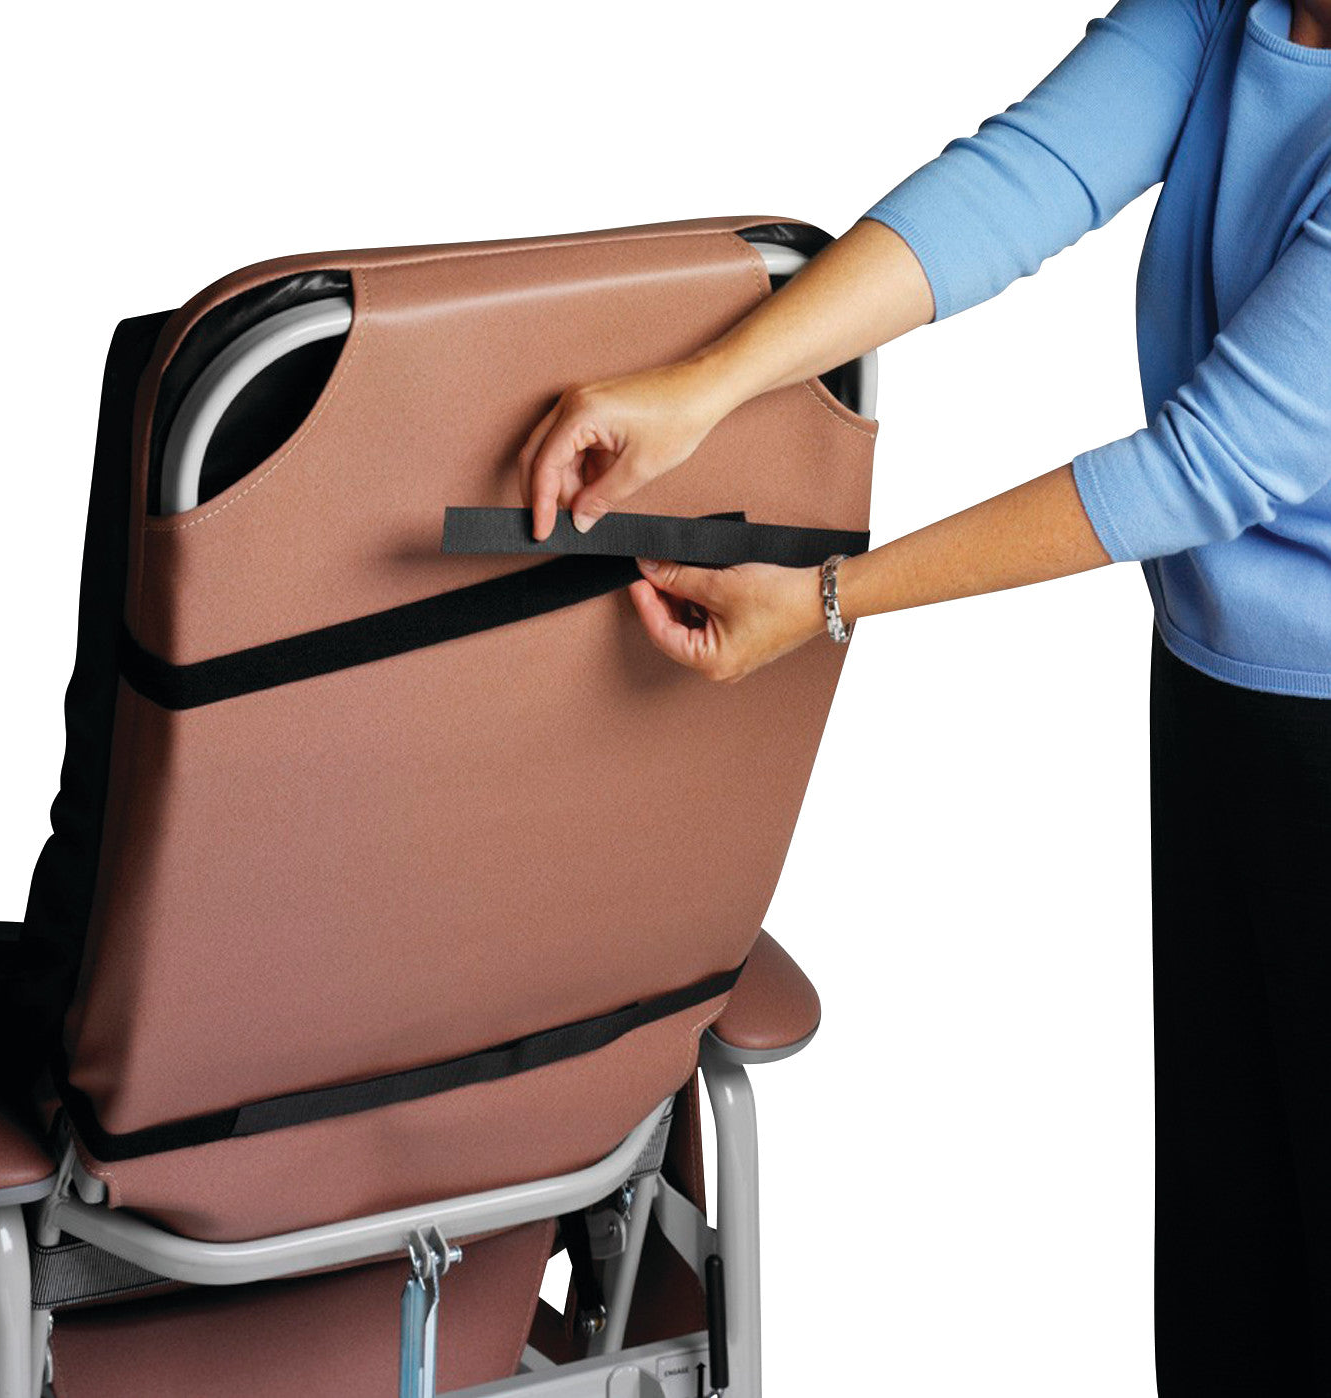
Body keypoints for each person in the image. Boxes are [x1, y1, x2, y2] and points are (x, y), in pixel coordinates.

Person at [516, 1, 1331, 1392]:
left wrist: (829, 598)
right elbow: (1020, 181)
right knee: (1231, 1250)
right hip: (1221, 694)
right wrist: (701, 390)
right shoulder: (1228, 10)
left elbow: (1207, 467)